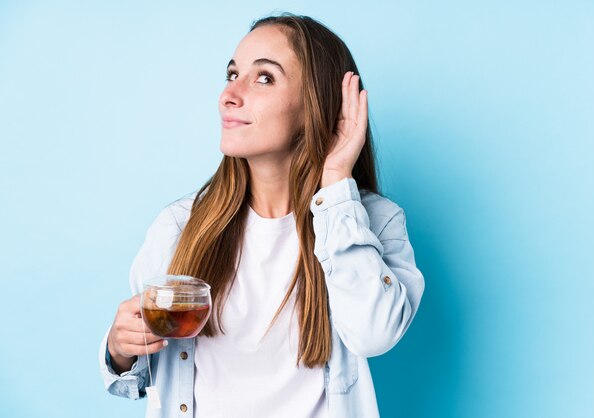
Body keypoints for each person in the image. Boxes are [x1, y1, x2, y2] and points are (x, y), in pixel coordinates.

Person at [99, 13, 425, 418]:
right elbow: (136, 373)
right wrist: (119, 348)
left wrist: (337, 180)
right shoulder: (178, 228)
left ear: (315, 107)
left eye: (264, 78)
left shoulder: (375, 222)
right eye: (231, 74)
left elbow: (374, 334)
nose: (229, 95)